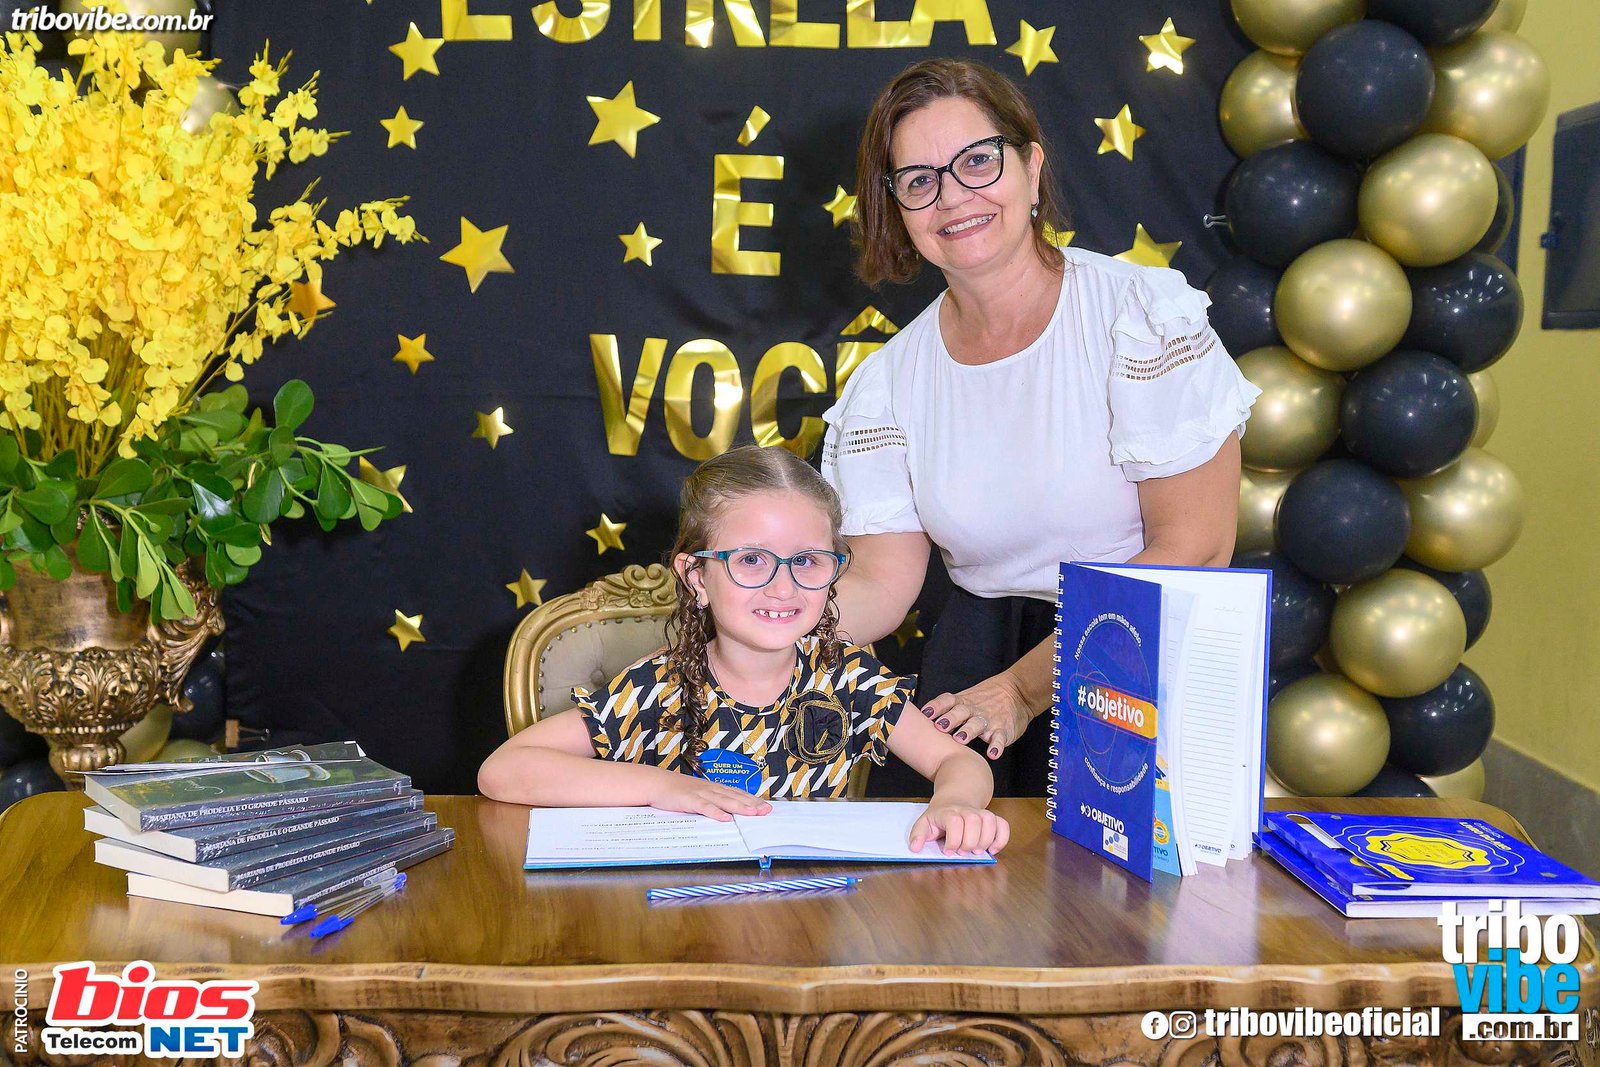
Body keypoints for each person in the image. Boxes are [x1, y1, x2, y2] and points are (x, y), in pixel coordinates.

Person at [822, 59, 1261, 797]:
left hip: (1135, 657)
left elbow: (1196, 547)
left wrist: (1025, 691)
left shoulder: (1139, 316)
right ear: (896, 207)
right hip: (975, 670)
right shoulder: (888, 382)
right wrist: (761, 625)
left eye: (977, 162)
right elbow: (882, 584)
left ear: (1031, 167)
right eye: (919, 180)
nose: (952, 197)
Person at [479, 445, 1010, 856]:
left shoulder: (849, 680)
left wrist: (956, 803)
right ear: (696, 576)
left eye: (807, 560)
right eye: (752, 560)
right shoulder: (657, 688)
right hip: (675, 920)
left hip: (806, 920)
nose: (783, 586)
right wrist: (661, 787)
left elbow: (957, 761)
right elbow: (503, 770)